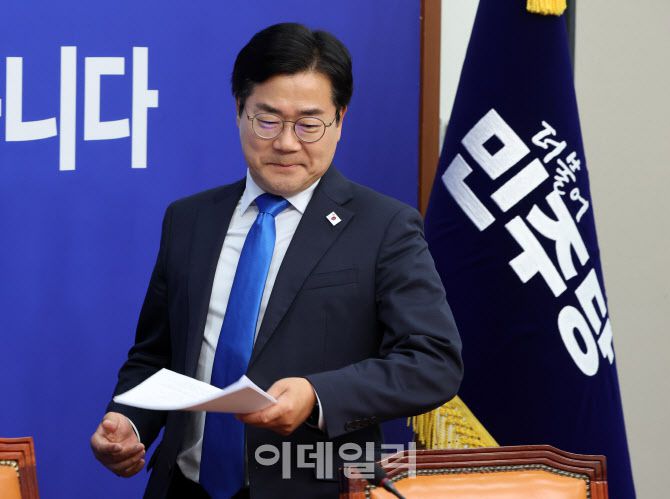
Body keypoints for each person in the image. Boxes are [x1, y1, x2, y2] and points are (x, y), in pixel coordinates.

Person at [90, 22, 463, 499]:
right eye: (267, 120)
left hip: (312, 485)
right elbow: (156, 355)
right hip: (184, 486)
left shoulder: (384, 227)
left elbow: (433, 361)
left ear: (340, 120)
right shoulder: (189, 220)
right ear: (239, 111)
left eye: (309, 124)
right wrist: (130, 422)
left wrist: (318, 395)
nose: (286, 142)